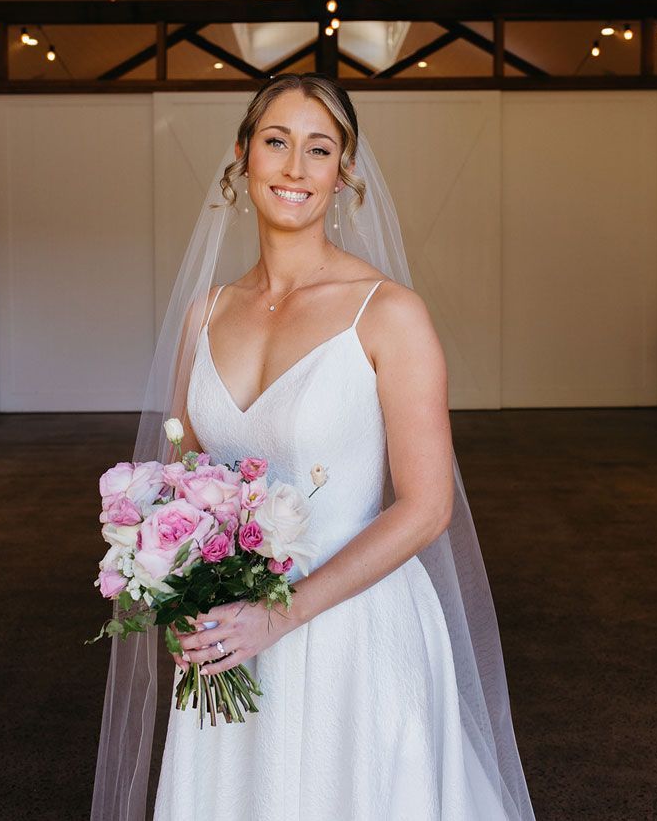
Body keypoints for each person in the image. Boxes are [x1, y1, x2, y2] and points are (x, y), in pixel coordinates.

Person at [91, 73, 537, 821]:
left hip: (350, 630)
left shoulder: (389, 314)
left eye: (319, 149)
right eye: (277, 141)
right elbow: (178, 477)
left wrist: (284, 614)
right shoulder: (206, 313)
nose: (296, 168)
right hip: (228, 626)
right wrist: (178, 583)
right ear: (242, 156)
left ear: (345, 172)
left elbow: (427, 509)